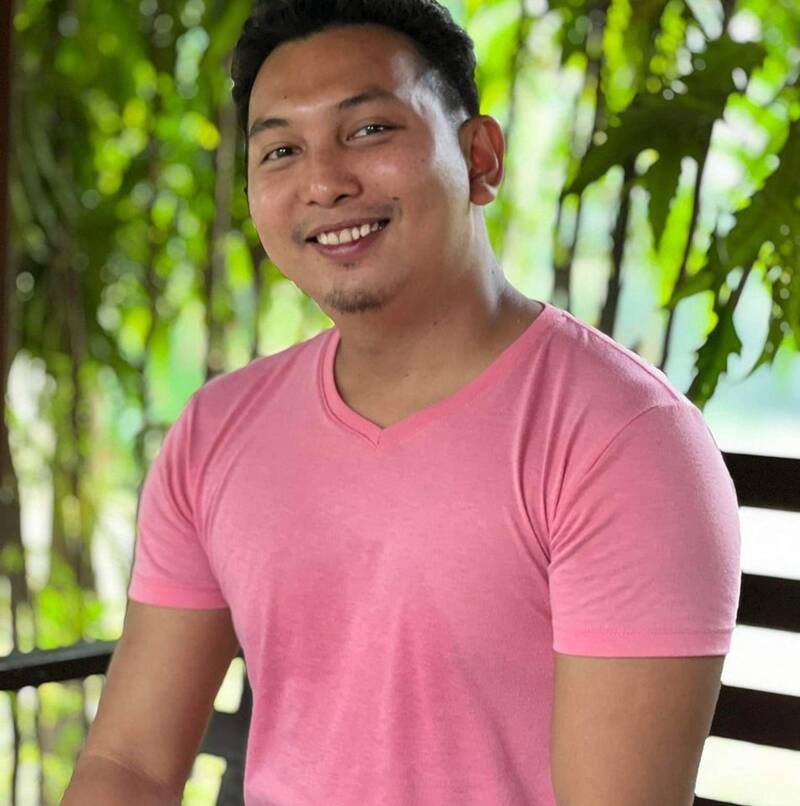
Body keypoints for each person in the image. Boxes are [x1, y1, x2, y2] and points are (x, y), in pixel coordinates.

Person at [62, 1, 741, 804]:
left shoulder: (623, 441)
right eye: (281, 150)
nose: (324, 182)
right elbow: (129, 764)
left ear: (480, 158)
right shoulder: (216, 432)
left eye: (369, 130)